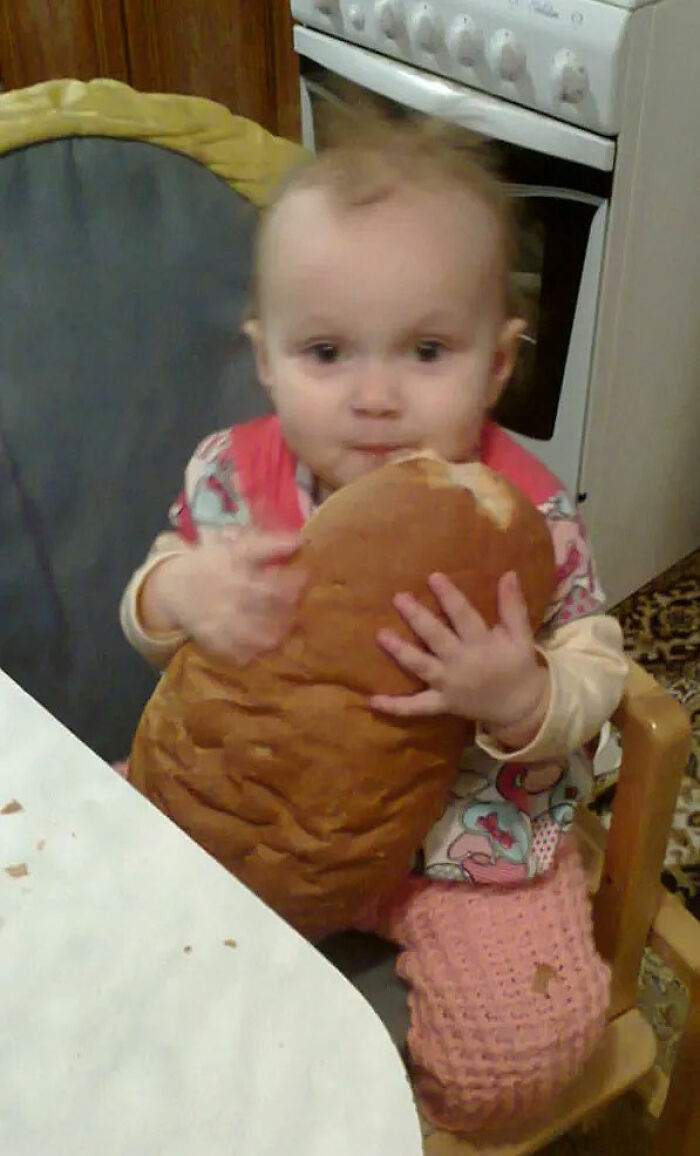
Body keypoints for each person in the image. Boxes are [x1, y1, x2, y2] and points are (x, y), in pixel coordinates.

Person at [120, 108, 627, 1135]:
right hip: (256, 811)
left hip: (464, 842)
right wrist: (178, 596)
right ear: (266, 360)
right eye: (326, 351)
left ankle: (396, 1114)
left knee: (525, 1055)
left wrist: (523, 695)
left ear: (495, 365)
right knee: (106, 951)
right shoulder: (236, 479)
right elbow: (154, 595)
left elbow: (597, 665)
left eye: (426, 349)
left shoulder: (523, 517)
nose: (374, 395)